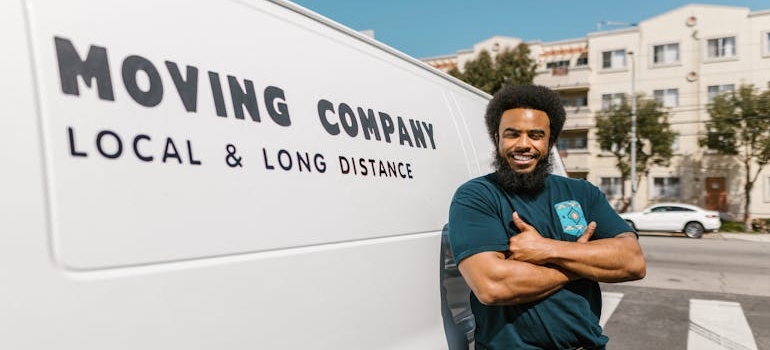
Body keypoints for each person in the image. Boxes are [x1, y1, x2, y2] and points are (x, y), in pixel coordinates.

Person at [447, 84, 646, 350]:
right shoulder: (477, 195)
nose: (524, 145)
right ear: (497, 138)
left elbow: (632, 261)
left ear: (549, 141)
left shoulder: (582, 193)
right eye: (513, 134)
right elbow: (492, 285)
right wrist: (580, 261)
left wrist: (546, 249)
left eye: (535, 135)